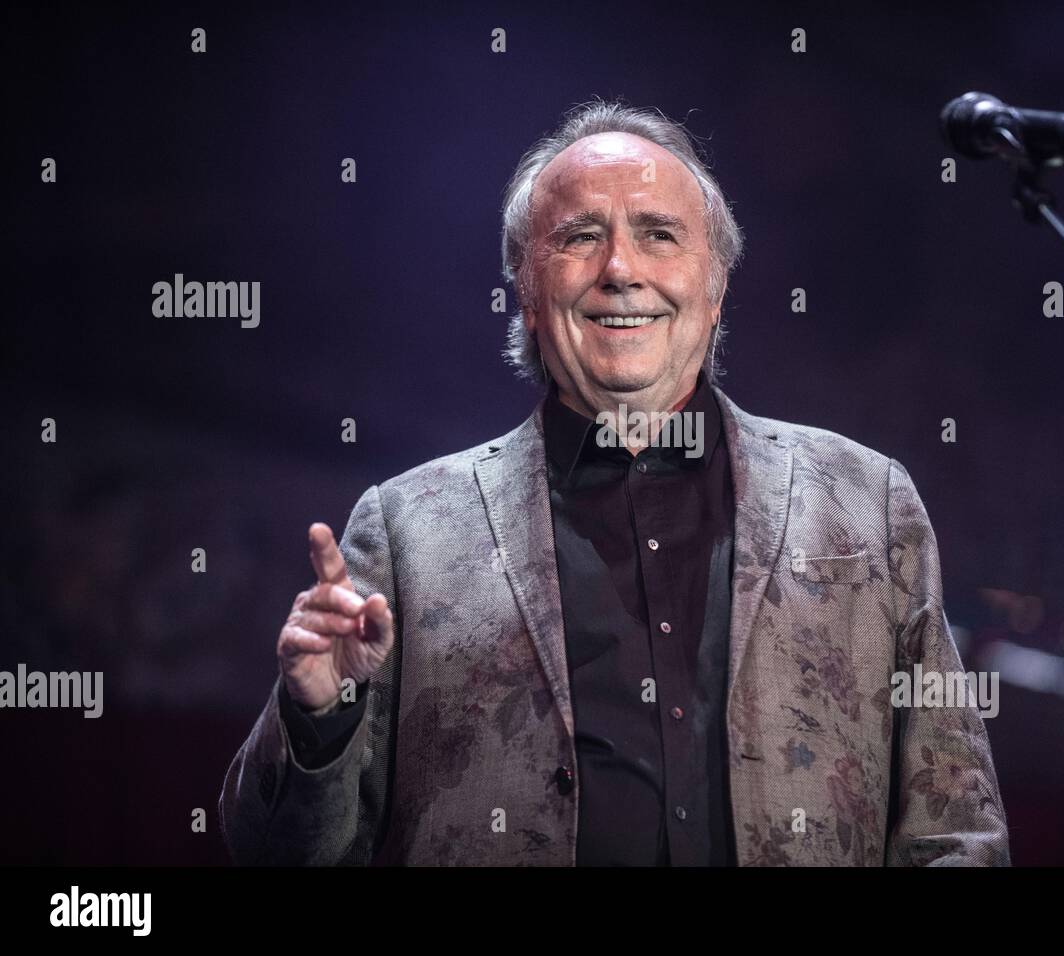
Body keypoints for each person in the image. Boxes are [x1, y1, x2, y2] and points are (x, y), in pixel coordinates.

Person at [219, 101, 1011, 866]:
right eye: (580, 238)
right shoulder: (406, 529)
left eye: (659, 235)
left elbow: (956, 827)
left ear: (715, 287)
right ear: (526, 291)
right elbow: (274, 851)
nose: (620, 270)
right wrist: (320, 715)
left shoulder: (867, 502)